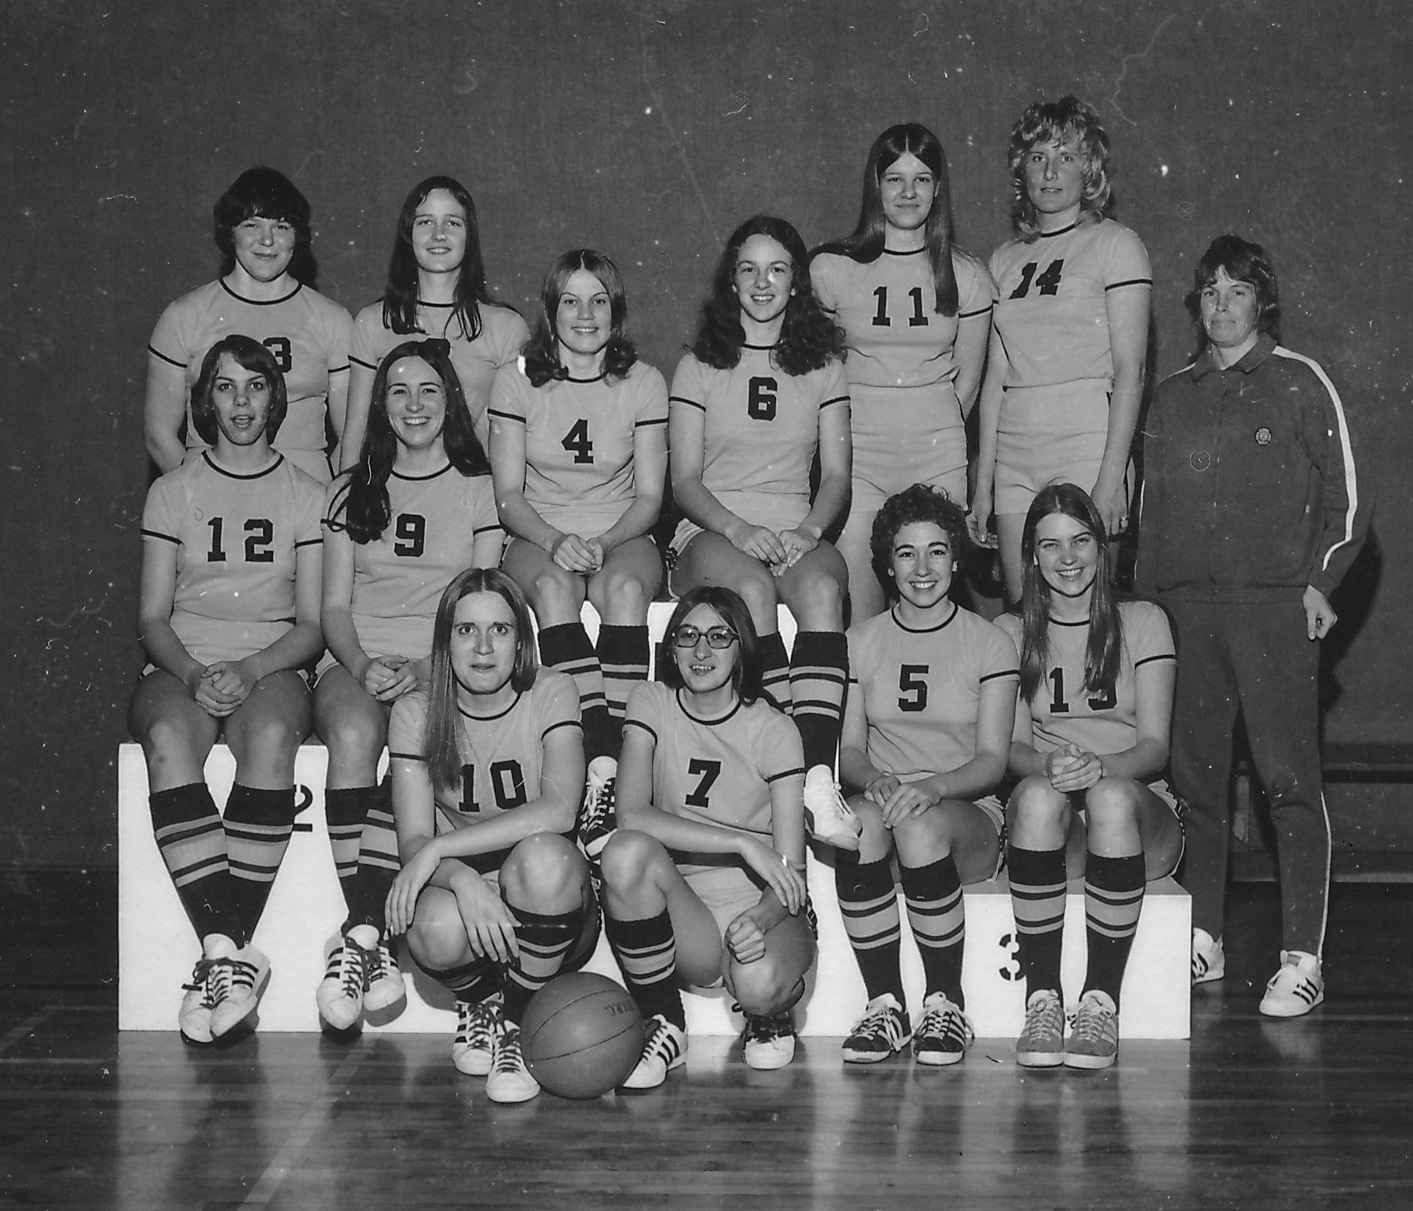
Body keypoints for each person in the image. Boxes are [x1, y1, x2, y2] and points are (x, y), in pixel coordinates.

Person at [1137, 235, 1370, 1017]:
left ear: (1261, 301)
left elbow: (1349, 500)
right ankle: (1201, 936)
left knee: (1286, 784)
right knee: (1196, 785)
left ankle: (1301, 954)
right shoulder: (1171, 395)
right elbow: (1148, 517)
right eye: (1209, 291)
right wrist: (1145, 617)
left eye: (1238, 291)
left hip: (1272, 611)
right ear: (1195, 304)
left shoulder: (1301, 383)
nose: (1221, 305)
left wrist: (1321, 582)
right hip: (1188, 615)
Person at [129, 336, 325, 1042]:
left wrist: (247, 671)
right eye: (224, 387)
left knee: (271, 736)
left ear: (276, 397)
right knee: (166, 736)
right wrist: (190, 673)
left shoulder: (306, 492)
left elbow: (310, 624)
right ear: (203, 400)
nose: (240, 403)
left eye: (254, 386)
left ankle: (221, 953)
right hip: (182, 660)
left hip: (269, 661)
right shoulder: (172, 487)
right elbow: (151, 616)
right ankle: (227, 953)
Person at [313, 340, 503, 1032]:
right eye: (398, 391)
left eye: (429, 389)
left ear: (450, 398)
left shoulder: (478, 485)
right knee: (358, 729)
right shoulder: (348, 486)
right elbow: (334, 607)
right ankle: (369, 935)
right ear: (379, 404)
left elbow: (478, 602)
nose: (414, 404)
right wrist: (362, 663)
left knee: (414, 726)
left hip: (439, 662)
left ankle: (362, 936)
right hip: (359, 658)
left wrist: (428, 668)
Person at [669, 214, 860, 850]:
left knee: (823, 595)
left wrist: (808, 530)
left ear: (796, 283)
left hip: (793, 527)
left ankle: (814, 778)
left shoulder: (824, 364)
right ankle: (789, 766)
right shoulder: (698, 365)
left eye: (777, 269)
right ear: (730, 280)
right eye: (748, 268)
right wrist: (738, 526)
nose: (762, 281)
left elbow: (836, 475)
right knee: (751, 591)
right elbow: (685, 482)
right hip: (713, 528)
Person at [384, 568, 595, 1104]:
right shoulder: (415, 711)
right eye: (466, 630)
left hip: (551, 901)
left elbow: (562, 808)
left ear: (521, 640)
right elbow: (412, 840)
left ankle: (516, 1025)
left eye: (500, 630)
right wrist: (462, 880)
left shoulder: (551, 689)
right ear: (444, 641)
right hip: (474, 901)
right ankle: (480, 1004)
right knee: (429, 922)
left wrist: (443, 847)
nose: (482, 647)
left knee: (544, 857)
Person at [994, 483, 1183, 1069]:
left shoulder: (1143, 620)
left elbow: (1154, 748)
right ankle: (1043, 999)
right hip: (1058, 819)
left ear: (1103, 549)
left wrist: (1104, 768)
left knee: (1107, 796)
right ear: (1030, 554)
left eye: (1081, 541)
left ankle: (1101, 1001)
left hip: (1136, 807)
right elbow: (1012, 748)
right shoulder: (1009, 630)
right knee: (1032, 796)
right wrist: (1049, 767)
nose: (1067, 558)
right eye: (1050, 545)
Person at [598, 587, 816, 1084]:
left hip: (765, 908)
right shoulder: (651, 701)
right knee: (625, 851)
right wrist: (740, 841)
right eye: (687, 636)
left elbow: (791, 871)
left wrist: (759, 919)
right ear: (669, 648)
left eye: (720, 636)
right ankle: (665, 1021)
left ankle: (768, 1012)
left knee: (758, 984)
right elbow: (630, 814)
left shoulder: (773, 728)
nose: (701, 652)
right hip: (684, 916)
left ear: (743, 647)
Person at [835, 485, 1018, 1066]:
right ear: (887, 564)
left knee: (920, 827)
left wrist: (933, 787)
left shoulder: (989, 641)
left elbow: (993, 760)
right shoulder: (859, 641)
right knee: (858, 821)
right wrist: (877, 781)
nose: (922, 568)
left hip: (967, 812)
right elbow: (852, 750)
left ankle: (947, 1001)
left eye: (937, 551)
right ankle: (885, 1004)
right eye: (907, 553)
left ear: (957, 558)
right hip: (891, 808)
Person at [489, 249, 667, 836]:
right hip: (540, 529)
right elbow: (509, 496)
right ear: (550, 309)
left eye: (598, 301)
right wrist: (556, 538)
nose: (584, 314)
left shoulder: (642, 381)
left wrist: (604, 538)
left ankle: (614, 765)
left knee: (622, 587)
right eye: (570, 300)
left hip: (622, 528)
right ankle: (594, 756)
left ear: (615, 312)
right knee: (549, 587)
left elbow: (648, 498)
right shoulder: (516, 380)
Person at [812, 124, 997, 621]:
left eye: (921, 178)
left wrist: (921, 421)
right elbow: (818, 377)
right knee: (863, 616)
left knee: (932, 615)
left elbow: (969, 383)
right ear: (875, 185)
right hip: (859, 462)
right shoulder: (832, 268)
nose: (908, 192)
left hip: (936, 455)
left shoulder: (968, 275)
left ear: (938, 188)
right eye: (895, 178)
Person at [972, 98, 1151, 603]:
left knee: (1087, 618)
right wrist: (983, 483)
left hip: (1087, 441)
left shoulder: (1116, 244)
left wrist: (1112, 476)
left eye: (1065, 156)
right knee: (1023, 612)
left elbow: (1131, 371)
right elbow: (994, 382)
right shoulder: (1004, 259)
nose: (1050, 171)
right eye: (1037, 157)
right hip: (1015, 451)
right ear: (1021, 169)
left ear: (1089, 167)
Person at [144, 167, 352, 482]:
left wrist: (323, 500)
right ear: (231, 231)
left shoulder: (332, 319)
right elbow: (158, 434)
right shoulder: (184, 315)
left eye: (281, 226)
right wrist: (201, 495)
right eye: (252, 224)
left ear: (297, 235)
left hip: (303, 511)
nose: (266, 240)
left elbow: (355, 433)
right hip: (212, 508)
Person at [341, 175, 528, 466]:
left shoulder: (506, 327)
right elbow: (356, 431)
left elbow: (518, 436)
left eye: (453, 222)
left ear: (470, 236)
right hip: (394, 494)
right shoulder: (372, 322)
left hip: (474, 496)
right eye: (425, 222)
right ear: (408, 234)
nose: (439, 234)